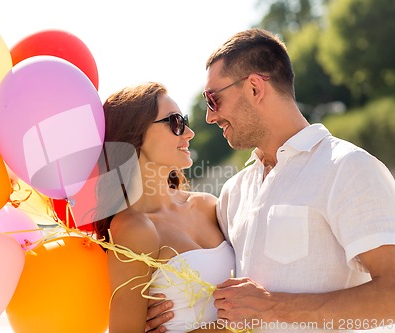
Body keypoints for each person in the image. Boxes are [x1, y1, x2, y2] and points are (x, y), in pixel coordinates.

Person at [145, 28, 395, 333]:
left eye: (214, 100)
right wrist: (174, 312)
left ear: (254, 88)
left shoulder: (348, 168)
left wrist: (274, 307)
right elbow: (238, 310)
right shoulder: (232, 193)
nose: (210, 117)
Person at [94, 82, 236, 333]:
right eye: (175, 122)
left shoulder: (208, 205)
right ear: (135, 134)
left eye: (185, 121)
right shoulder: (133, 228)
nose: (189, 133)